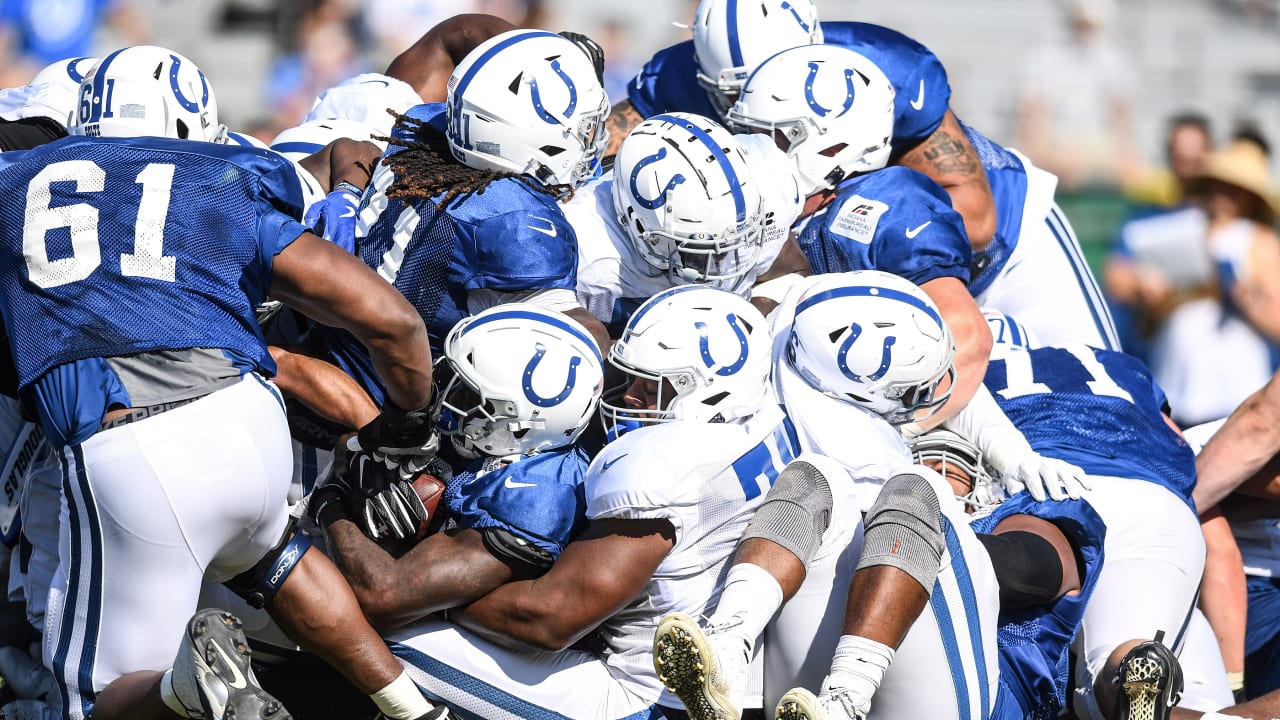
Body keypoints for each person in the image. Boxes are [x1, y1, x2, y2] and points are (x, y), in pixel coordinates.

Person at [0, 45, 444, 720]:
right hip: (252, 420)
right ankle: (415, 709)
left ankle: (189, 689)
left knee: (89, 705)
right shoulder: (225, 172)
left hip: (132, 447)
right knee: (271, 557)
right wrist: (406, 428)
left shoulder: (15, 182)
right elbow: (392, 320)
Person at [652, 272, 1100, 720]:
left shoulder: (792, 340)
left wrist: (1011, 455)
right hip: (848, 682)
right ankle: (732, 653)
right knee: (856, 483)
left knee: (862, 484)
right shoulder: (875, 465)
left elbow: (1036, 565)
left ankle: (806, 683)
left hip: (897, 680)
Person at [620, 0, 1120, 351]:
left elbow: (975, 215)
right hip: (861, 281)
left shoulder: (881, 70)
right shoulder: (675, 79)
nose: (754, 109)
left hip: (1004, 253)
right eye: (733, 99)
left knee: (1107, 402)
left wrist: (833, 238)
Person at [726, 44, 992, 429]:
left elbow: (967, 337)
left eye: (769, 136)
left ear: (831, 146)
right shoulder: (784, 209)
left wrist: (897, 437)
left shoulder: (883, 208)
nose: (749, 148)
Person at [317, 303, 605, 628]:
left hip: (506, 653)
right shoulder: (515, 441)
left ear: (518, 424)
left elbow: (385, 597)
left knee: (316, 603)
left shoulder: (534, 499)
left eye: (467, 393)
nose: (446, 391)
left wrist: (330, 502)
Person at [565, 111, 798, 331]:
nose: (720, 263)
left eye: (731, 245)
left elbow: (791, 272)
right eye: (700, 250)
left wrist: (747, 325)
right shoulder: (587, 254)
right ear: (639, 226)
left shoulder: (765, 194)